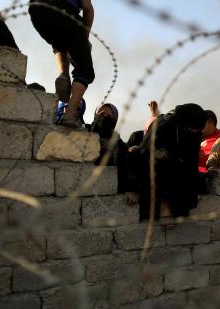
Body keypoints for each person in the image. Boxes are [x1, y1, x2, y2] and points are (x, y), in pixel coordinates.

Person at [28, 0, 95, 128]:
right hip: (64, 10)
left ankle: (63, 74)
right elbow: (87, 7)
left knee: (60, 41)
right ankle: (70, 114)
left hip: (37, 11)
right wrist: (84, 40)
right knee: (85, 70)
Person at [136, 103, 208, 219]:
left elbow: (192, 159)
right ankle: (164, 207)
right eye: (193, 129)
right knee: (163, 165)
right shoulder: (162, 125)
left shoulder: (195, 131)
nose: (195, 132)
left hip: (180, 167)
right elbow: (146, 152)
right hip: (157, 168)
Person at [88, 103, 138, 205]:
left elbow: (125, 167)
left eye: (108, 116)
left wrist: (128, 188)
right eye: (101, 115)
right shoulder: (86, 134)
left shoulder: (118, 143)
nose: (104, 117)